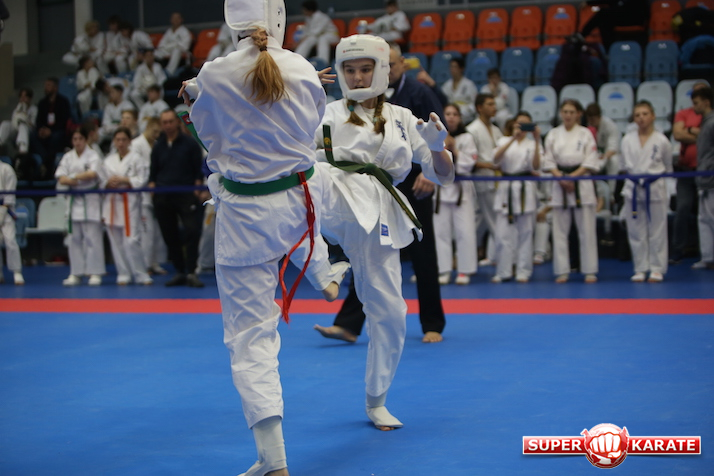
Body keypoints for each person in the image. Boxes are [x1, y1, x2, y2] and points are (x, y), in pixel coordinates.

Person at [181, 1, 352, 473]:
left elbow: (208, 136)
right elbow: (310, 127)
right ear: (278, 18)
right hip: (297, 203)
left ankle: (273, 460)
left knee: (251, 338)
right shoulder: (300, 68)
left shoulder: (214, 73)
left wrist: (194, 95)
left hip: (244, 218)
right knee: (313, 187)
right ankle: (322, 271)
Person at [311, 34, 453, 430]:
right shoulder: (323, 113)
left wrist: (437, 146)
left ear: (382, 71)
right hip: (334, 196)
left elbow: (442, 175)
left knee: (390, 313)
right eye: (349, 70)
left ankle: (376, 400)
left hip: (380, 213)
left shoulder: (404, 118)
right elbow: (284, 151)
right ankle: (321, 267)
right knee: (308, 173)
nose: (357, 78)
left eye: (365, 69)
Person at [542, 99, 600, 283]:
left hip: (581, 182)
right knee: (559, 231)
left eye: (571, 112)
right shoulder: (553, 134)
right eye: (565, 111)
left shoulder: (586, 134)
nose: (568, 115)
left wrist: (572, 177)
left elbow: (591, 159)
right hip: (560, 183)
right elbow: (548, 160)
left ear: (578, 114)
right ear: (561, 113)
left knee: (587, 230)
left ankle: (589, 269)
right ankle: (562, 270)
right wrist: (561, 178)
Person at [148, 110, 205, 288]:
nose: (168, 125)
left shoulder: (190, 144)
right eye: (164, 122)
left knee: (192, 231)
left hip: (186, 193)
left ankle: (191, 271)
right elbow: (153, 171)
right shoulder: (158, 146)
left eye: (170, 121)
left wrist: (197, 188)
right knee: (169, 235)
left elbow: (198, 169)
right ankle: (180, 271)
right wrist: (152, 187)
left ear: (177, 123)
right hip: (163, 195)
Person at [619, 101, 673, 282]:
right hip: (633, 188)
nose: (641, 118)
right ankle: (640, 268)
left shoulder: (662, 140)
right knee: (635, 231)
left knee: (657, 230)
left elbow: (668, 166)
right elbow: (623, 166)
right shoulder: (627, 139)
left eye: (645, 114)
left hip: (655, 187)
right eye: (637, 115)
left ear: (653, 116)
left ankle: (657, 268)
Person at [492, 112, 541, 283]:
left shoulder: (532, 144)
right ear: (514, 124)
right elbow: (495, 159)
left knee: (526, 233)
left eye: (526, 124)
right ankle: (503, 271)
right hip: (506, 187)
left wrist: (537, 140)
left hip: (525, 187)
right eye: (519, 123)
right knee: (502, 234)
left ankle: (523, 271)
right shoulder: (504, 141)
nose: (521, 127)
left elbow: (536, 166)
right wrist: (513, 138)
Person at [101, 127, 152, 285]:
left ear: (129, 141)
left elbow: (142, 179)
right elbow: (101, 180)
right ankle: (124, 273)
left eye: (124, 139)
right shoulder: (108, 160)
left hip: (130, 203)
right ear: (114, 141)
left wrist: (125, 180)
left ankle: (141, 274)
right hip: (112, 203)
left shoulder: (137, 159)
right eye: (118, 140)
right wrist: (108, 182)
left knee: (131, 240)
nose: (121, 143)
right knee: (116, 242)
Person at [433, 104, 478, 285]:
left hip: (461, 190)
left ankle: (464, 270)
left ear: (460, 118)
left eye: (455, 114)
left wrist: (455, 150)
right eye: (447, 114)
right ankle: (443, 270)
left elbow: (470, 164)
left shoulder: (467, 138)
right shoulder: (435, 136)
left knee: (465, 231)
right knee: (440, 232)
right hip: (441, 189)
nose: (451, 117)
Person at [55, 127, 105, 286]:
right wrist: (75, 180)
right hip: (73, 201)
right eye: (74, 139)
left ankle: (95, 272)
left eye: (80, 139)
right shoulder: (68, 157)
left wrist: (73, 177)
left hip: (90, 200)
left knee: (93, 239)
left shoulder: (93, 155)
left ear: (85, 140)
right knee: (73, 239)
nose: (77, 142)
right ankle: (76, 273)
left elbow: (92, 174)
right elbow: (60, 177)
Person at [671, 81, 709, 264]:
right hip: (686, 171)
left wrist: (691, 131)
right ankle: (678, 249)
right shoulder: (683, 113)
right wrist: (698, 134)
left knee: (707, 214)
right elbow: (678, 135)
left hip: (707, 172)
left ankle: (707, 254)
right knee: (682, 208)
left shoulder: (710, 116)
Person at [466, 93, 503, 267]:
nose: (494, 107)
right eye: (489, 104)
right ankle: (504, 259)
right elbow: (469, 159)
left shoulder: (496, 130)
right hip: (481, 180)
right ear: (479, 108)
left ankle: (486, 255)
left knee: (479, 221)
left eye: (494, 104)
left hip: (495, 179)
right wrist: (488, 165)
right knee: (494, 220)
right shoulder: (472, 130)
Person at [131, 117, 167, 275]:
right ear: (148, 127)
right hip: (142, 195)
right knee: (146, 232)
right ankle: (145, 265)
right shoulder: (136, 145)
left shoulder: (156, 145)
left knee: (156, 232)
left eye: (159, 132)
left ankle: (154, 262)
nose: (156, 135)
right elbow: (139, 169)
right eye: (154, 131)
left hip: (156, 193)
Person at [692, 86, 714, 270]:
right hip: (703, 178)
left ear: (706, 102)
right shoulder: (705, 123)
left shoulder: (712, 123)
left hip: (711, 178)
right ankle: (708, 257)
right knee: (704, 219)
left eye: (696, 103)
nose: (694, 107)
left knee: (712, 218)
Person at [33, 77, 72, 177]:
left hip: (58, 131)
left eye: (48, 86)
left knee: (56, 137)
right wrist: (41, 129)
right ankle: (46, 161)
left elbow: (64, 120)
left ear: (55, 88)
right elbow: (38, 120)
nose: (46, 88)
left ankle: (46, 165)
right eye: (45, 86)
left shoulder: (63, 101)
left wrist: (51, 131)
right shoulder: (42, 103)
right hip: (44, 132)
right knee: (33, 136)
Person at [579, 0, 650, 51]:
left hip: (635, 16)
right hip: (623, 15)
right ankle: (610, 51)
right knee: (604, 22)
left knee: (603, 13)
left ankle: (582, 35)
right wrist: (589, 3)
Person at [0, 159, 24, 285]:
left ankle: (17, 272)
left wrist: (2, 213)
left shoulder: (6, 169)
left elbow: (10, 194)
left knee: (10, 241)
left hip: (6, 210)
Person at [294, 1, 338, 65]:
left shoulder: (321, 16)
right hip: (318, 37)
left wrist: (302, 40)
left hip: (331, 35)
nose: (303, 11)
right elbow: (307, 31)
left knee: (322, 39)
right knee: (310, 39)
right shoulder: (308, 18)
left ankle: (323, 62)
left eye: (304, 10)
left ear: (309, 10)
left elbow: (315, 32)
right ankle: (297, 59)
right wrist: (299, 41)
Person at [439, 58, 478, 124]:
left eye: (455, 67)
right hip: (451, 115)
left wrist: (464, 111)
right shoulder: (446, 85)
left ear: (461, 69)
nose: (452, 69)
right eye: (451, 67)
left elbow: (474, 103)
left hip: (466, 116)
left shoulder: (469, 85)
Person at [0, 88, 36, 156]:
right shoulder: (17, 108)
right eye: (21, 97)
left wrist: (25, 118)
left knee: (22, 125)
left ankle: (23, 150)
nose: (22, 99)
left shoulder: (34, 109)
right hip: (16, 131)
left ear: (29, 98)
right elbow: (14, 122)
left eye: (25, 97)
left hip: (28, 130)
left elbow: (33, 125)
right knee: (5, 123)